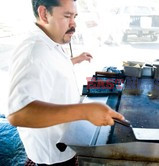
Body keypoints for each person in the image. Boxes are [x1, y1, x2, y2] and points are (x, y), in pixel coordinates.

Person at [7, 0, 124, 165]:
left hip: (62, 143)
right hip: (51, 157)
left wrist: (75, 60)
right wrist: (84, 111)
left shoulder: (48, 42)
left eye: (74, 16)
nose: (73, 23)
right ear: (43, 14)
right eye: (67, 16)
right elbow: (18, 114)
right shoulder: (34, 51)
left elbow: (51, 67)